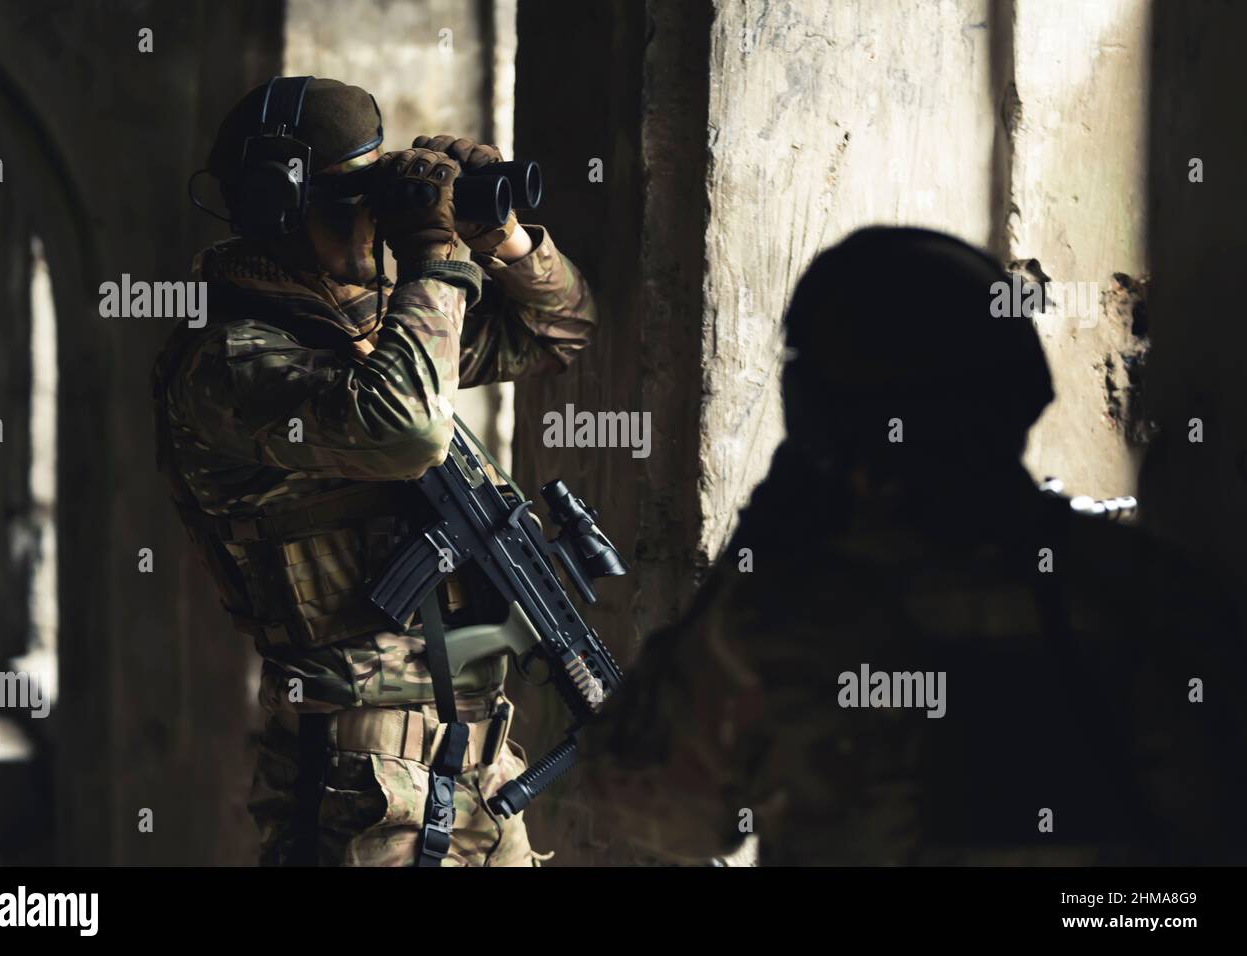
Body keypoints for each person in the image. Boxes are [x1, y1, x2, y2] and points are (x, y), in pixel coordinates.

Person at [580, 226, 1247, 865]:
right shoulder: (1142, 586)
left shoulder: (785, 618)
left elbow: (656, 808)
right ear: (1020, 391)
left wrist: (757, 540)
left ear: (816, 411)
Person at [152, 77, 596, 866]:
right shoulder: (224, 359)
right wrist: (437, 260)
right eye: (351, 198)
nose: (374, 219)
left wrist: (500, 239)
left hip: (480, 765)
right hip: (359, 788)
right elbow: (408, 430)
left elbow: (561, 329)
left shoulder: (365, 329)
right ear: (275, 208)